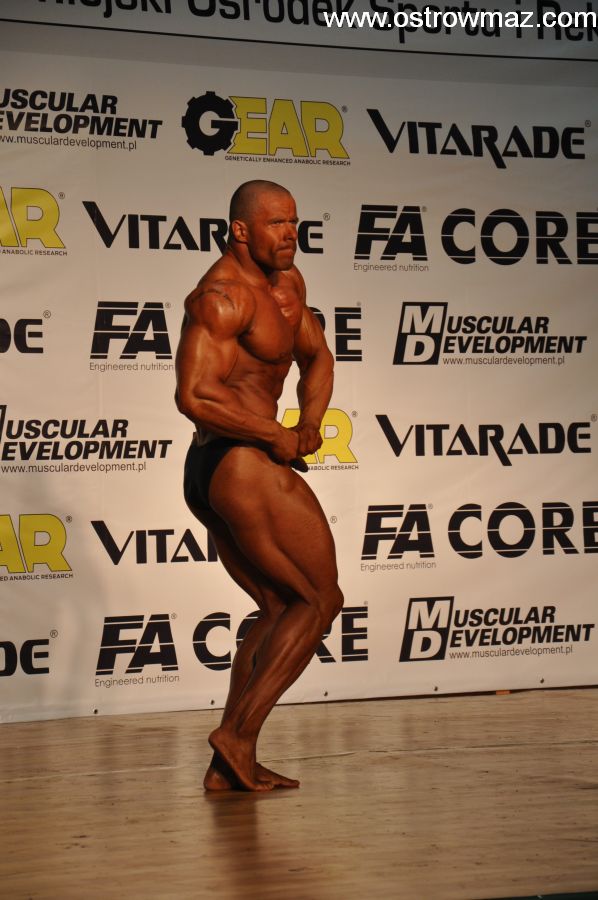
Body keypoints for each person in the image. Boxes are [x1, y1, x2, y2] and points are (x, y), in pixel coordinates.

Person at [175, 180, 344, 792]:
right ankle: (237, 736)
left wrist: (310, 423)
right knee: (319, 601)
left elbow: (318, 356)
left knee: (278, 607)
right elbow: (194, 396)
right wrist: (274, 434)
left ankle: (228, 767)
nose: (290, 234)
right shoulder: (221, 297)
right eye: (277, 223)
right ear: (241, 230)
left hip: (229, 468)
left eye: (294, 222)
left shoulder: (289, 286)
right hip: (237, 464)